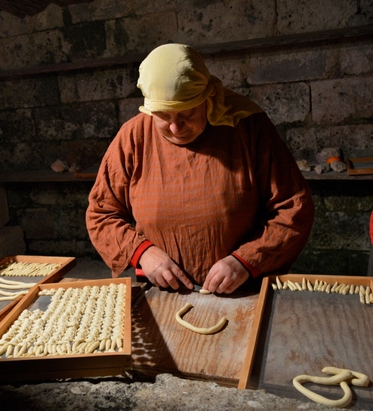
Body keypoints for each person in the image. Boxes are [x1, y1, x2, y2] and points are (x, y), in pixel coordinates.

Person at [86, 43, 315, 294]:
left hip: (242, 287)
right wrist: (143, 253)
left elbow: (294, 207)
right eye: (163, 116)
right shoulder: (133, 136)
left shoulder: (247, 127)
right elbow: (101, 214)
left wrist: (246, 260)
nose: (175, 128)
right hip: (160, 290)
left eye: (187, 114)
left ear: (207, 98)